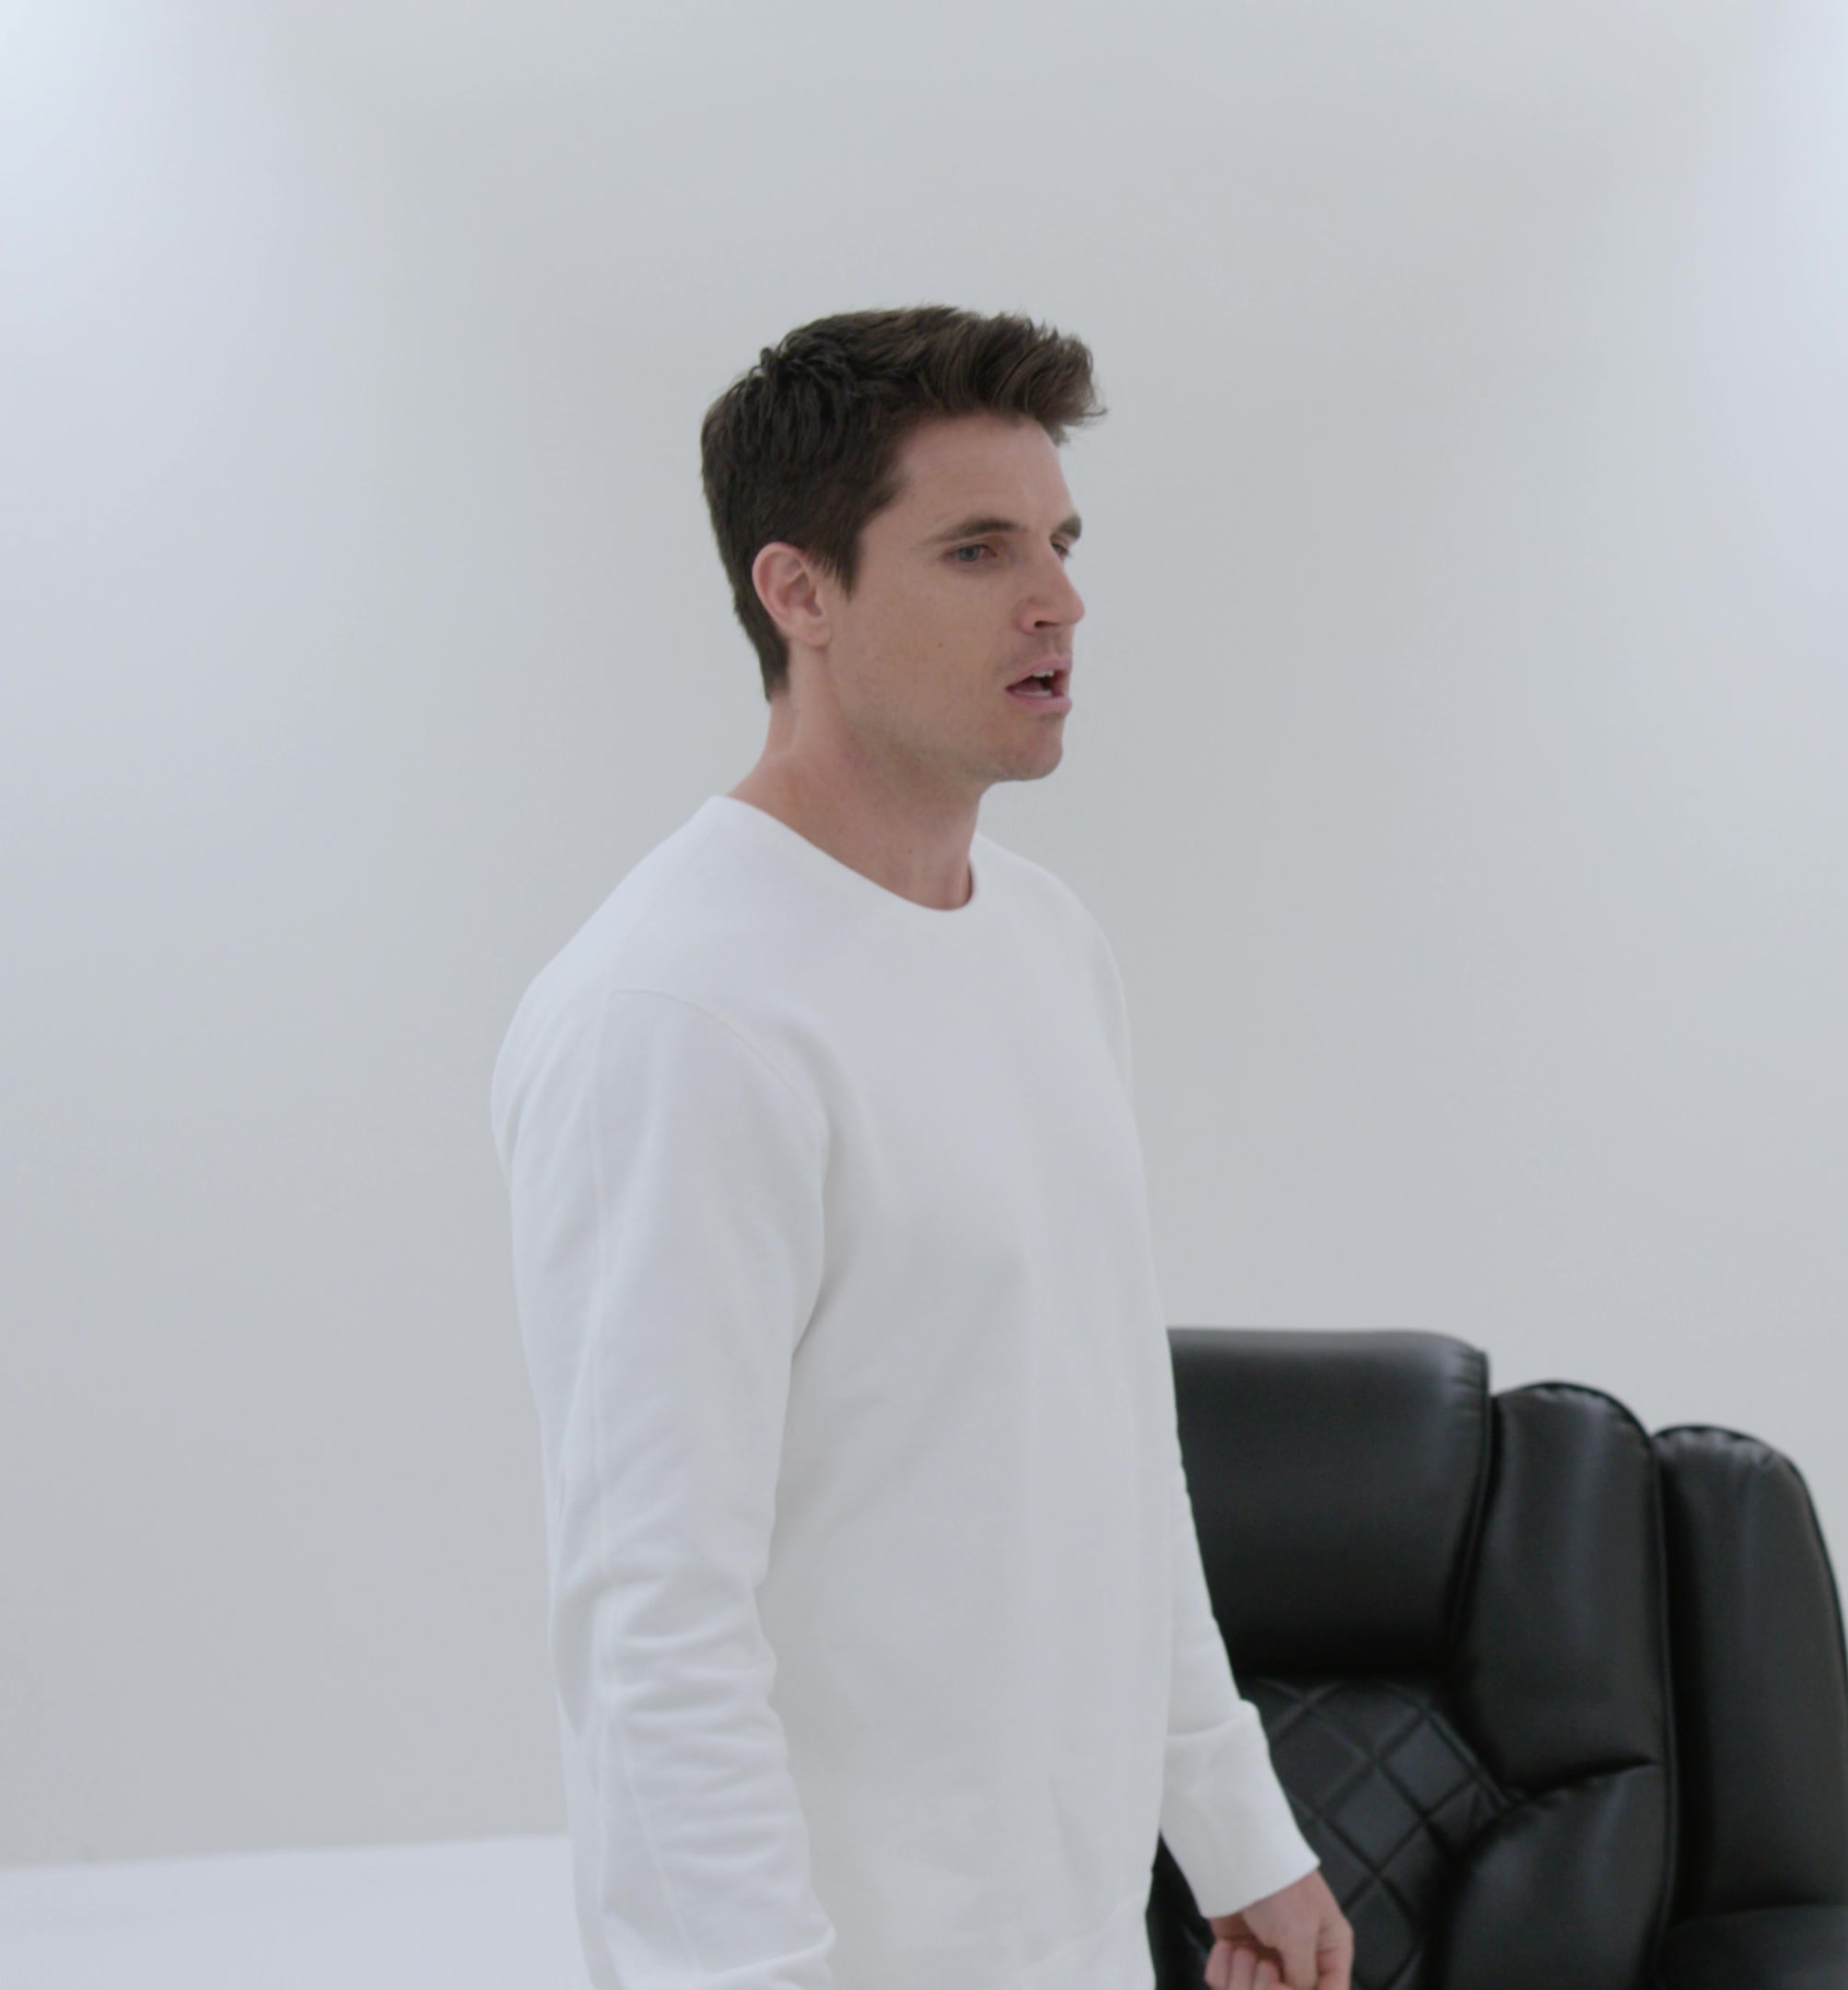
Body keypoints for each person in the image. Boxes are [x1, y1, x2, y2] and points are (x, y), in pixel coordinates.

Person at [492, 307, 1354, 1990]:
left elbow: (1115, 1441)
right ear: (798, 592)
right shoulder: (673, 1015)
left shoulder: (1046, 942)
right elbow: (654, 1616)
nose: (1058, 602)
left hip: (1078, 1934)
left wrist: (1235, 1829)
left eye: (1061, 544)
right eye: (977, 550)